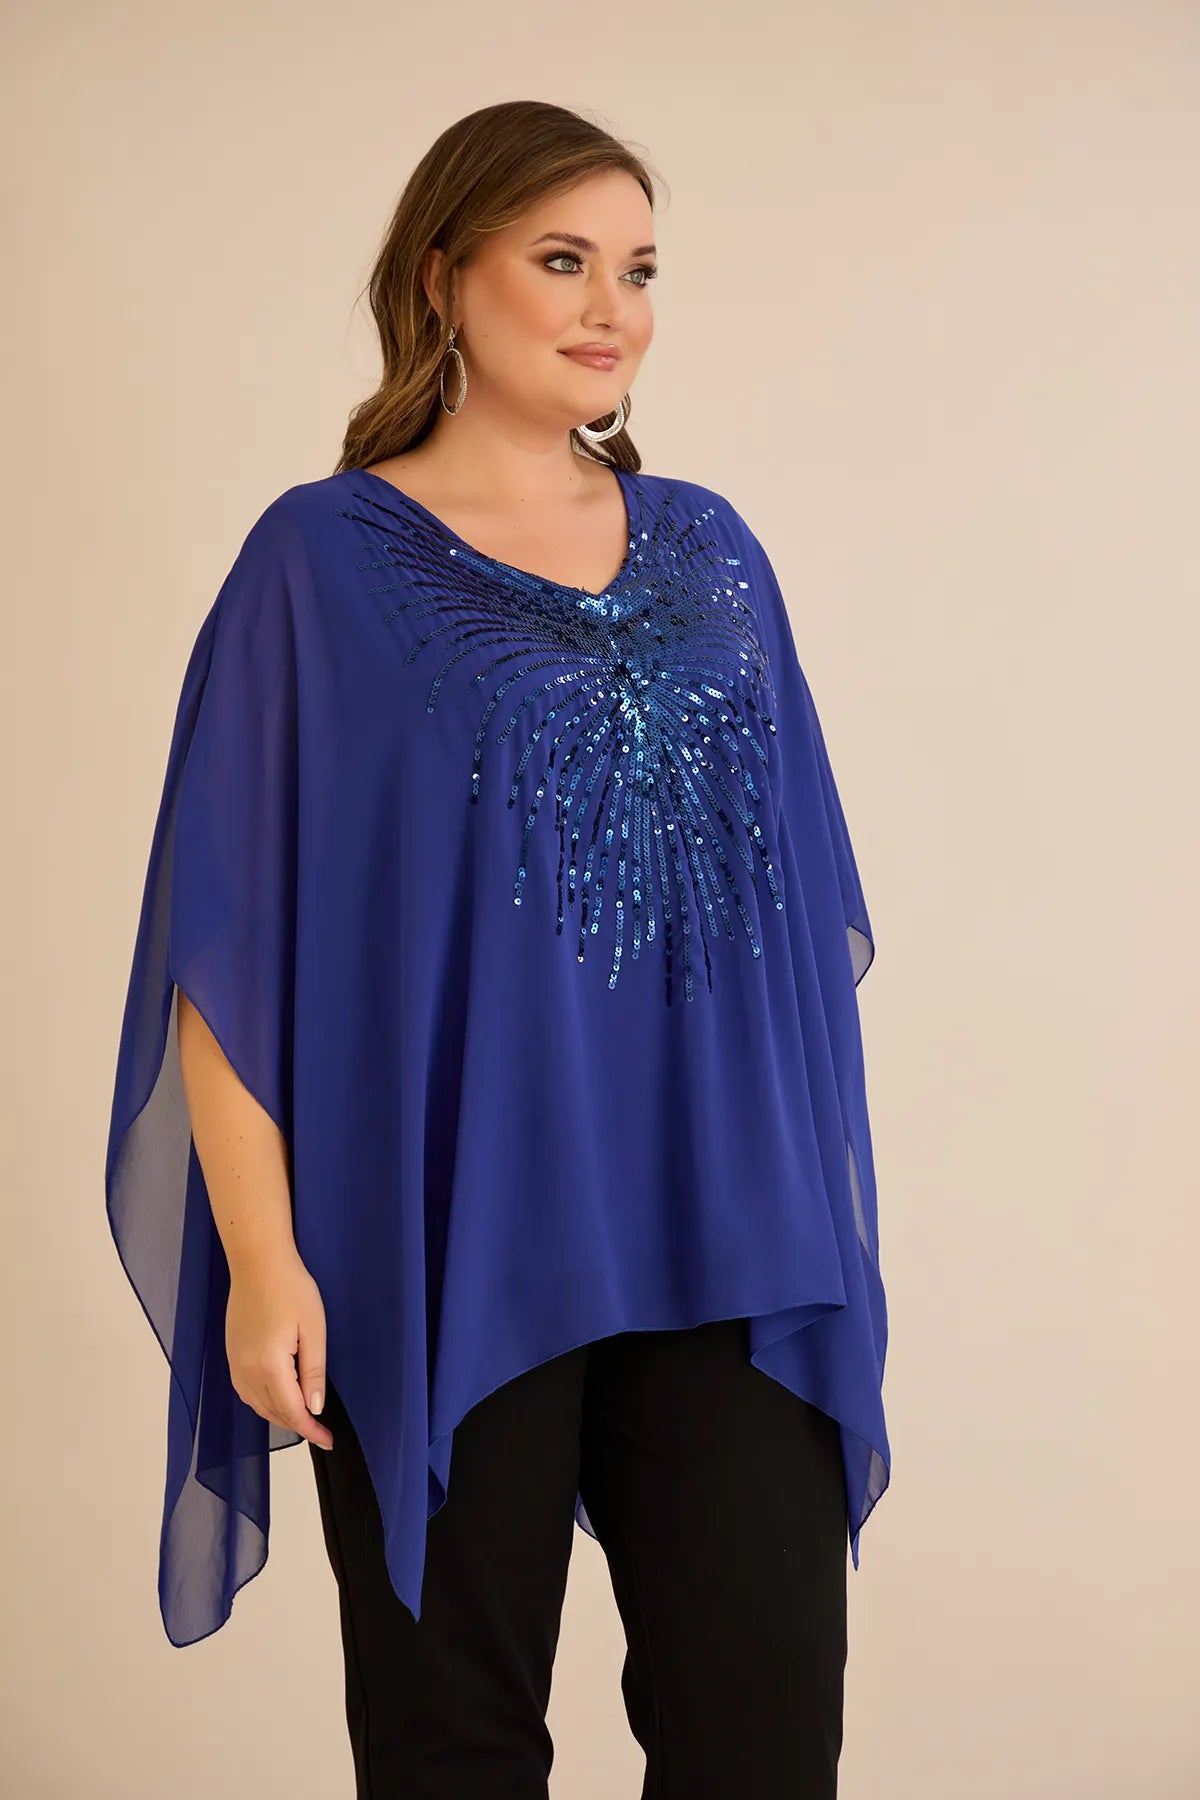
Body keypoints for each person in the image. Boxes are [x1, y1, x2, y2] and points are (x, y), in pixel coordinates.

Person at [104, 99, 890, 1798]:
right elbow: (228, 944)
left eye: (640, 270)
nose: (613, 308)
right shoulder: (319, 563)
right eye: (563, 260)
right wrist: (262, 1259)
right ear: (444, 280)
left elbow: (795, 926)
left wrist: (810, 1199)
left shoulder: (712, 553)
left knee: (765, 1730)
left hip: (723, 1231)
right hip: (438, 1230)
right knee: (449, 1743)